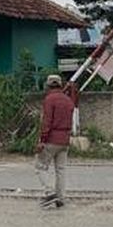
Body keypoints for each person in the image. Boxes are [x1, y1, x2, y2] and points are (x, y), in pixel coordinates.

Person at [36, 76, 76, 210]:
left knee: (40, 166)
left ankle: (49, 192)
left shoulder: (49, 99)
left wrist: (42, 140)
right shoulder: (68, 100)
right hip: (65, 139)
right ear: (60, 85)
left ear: (48, 86)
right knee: (61, 170)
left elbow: (47, 122)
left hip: (52, 139)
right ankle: (60, 198)